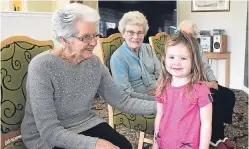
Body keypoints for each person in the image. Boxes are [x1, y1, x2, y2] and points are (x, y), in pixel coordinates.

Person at [20, 3, 157, 149]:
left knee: (124, 146)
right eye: (85, 37)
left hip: (84, 122)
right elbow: (49, 131)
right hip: (45, 137)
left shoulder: (94, 63)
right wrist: (93, 144)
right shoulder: (42, 67)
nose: (94, 42)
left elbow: (122, 101)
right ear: (65, 40)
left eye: (95, 35)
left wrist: (161, 106)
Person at [179, 20, 236, 149]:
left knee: (228, 94)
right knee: (212, 98)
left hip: (201, 82)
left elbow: (205, 66)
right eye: (186, 34)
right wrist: (202, 83)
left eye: (192, 34)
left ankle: (221, 133)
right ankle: (213, 138)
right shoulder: (178, 49)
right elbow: (180, 73)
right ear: (180, 34)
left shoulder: (197, 46)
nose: (190, 37)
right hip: (188, 83)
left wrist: (213, 81)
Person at [152, 31, 213, 149]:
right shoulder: (162, 85)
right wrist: (155, 143)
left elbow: (206, 123)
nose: (176, 62)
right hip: (164, 143)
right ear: (164, 59)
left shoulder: (201, 90)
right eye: (171, 57)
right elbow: (159, 115)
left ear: (193, 61)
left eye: (183, 58)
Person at [110, 11, 161, 101]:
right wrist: (152, 98)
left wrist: (161, 88)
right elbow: (125, 92)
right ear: (123, 34)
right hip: (139, 100)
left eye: (140, 32)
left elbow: (161, 73)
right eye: (131, 32)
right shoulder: (118, 58)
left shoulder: (148, 48)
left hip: (159, 93)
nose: (136, 37)